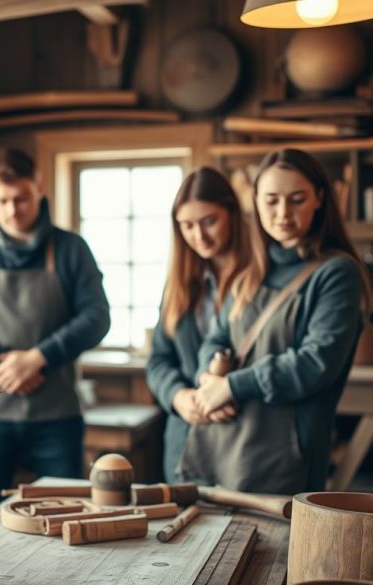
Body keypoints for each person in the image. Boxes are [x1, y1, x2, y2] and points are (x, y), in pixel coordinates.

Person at [181, 148, 370, 494]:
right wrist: (209, 377)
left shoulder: (336, 273)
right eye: (271, 201)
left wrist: (232, 386)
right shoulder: (249, 272)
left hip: (284, 462)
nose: (283, 214)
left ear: (319, 199)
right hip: (224, 451)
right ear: (255, 201)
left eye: (296, 199)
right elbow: (216, 337)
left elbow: (316, 363)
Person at [0, 147, 110, 518]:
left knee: (67, 516)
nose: (13, 210)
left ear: (39, 188)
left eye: (21, 198)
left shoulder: (70, 249)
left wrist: (37, 358)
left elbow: (97, 317)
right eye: (2, 201)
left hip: (57, 416)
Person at [146, 167, 251, 484]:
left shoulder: (261, 279)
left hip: (246, 440)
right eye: (187, 226)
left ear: (232, 214)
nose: (199, 236)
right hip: (186, 441)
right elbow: (158, 361)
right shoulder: (179, 284)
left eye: (209, 221)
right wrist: (179, 397)